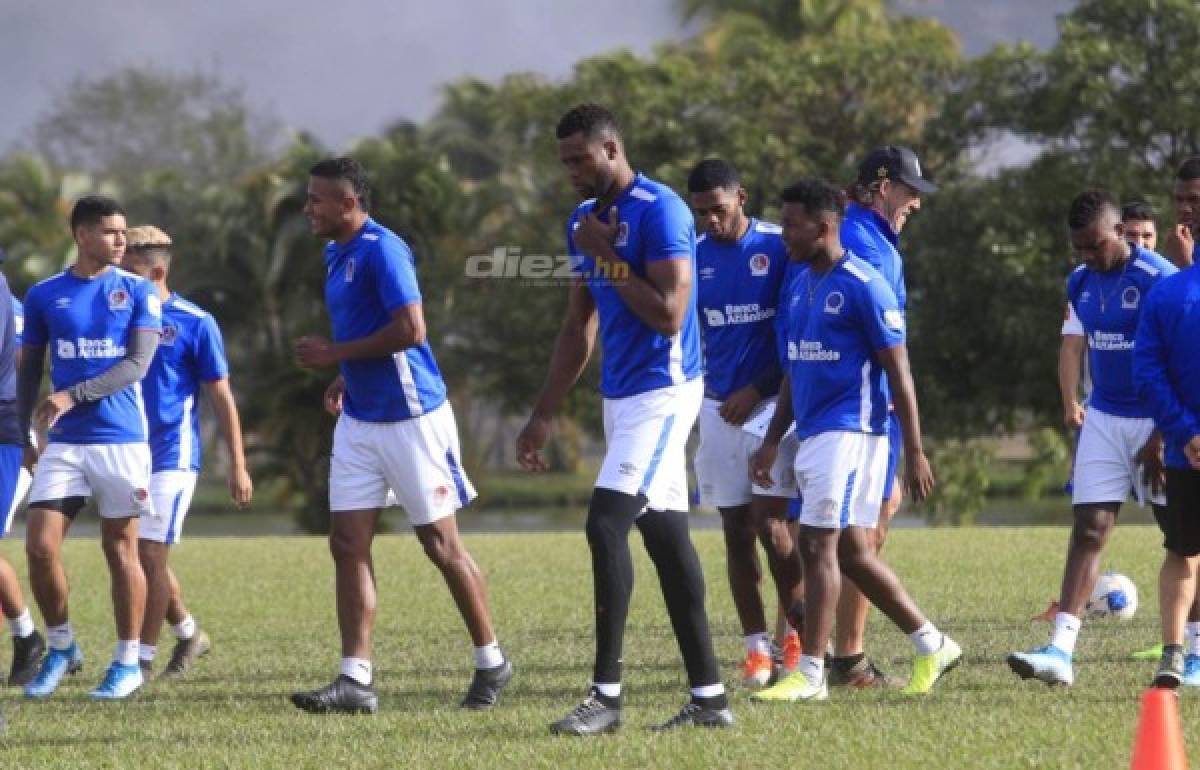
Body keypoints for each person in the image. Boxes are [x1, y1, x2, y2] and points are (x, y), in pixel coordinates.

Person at [517, 104, 732, 734]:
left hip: (665, 393)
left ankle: (605, 699)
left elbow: (669, 313)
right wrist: (543, 414)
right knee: (666, 543)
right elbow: (577, 325)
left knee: (604, 524)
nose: (569, 172)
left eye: (578, 159)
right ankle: (711, 701)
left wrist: (603, 254)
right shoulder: (583, 220)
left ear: (611, 149)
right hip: (622, 399)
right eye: (562, 161)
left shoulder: (661, 211)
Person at [291, 157, 511, 715]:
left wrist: (333, 354)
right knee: (347, 544)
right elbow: (369, 329)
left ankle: (492, 661)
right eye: (308, 198)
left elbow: (413, 330)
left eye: (317, 199)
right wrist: (346, 374)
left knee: (440, 546)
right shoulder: (334, 252)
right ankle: (355, 681)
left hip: (412, 418)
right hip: (361, 421)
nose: (308, 208)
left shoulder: (383, 249)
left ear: (349, 202)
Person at [749, 178, 960, 703]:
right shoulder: (798, 284)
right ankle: (932, 643)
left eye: (792, 225)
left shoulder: (865, 284)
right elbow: (794, 372)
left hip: (850, 432)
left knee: (816, 544)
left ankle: (812, 674)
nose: (784, 236)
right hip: (814, 431)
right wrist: (774, 438)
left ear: (823, 227)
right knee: (853, 554)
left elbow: (901, 374)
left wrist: (913, 449)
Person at [1007, 190, 1177, 687]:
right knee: (1089, 528)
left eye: (1095, 246)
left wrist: (1164, 433)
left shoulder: (1157, 280)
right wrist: (1072, 405)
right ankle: (1060, 651)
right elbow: (1075, 345)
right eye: (1079, 248)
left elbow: (1184, 361)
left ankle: (1187, 645)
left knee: (1183, 535)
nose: (1087, 257)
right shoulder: (1080, 281)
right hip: (1103, 415)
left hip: (1156, 419)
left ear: (1121, 233)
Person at [18, 195, 161, 700]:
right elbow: (28, 369)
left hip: (122, 443)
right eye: (110, 232)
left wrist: (71, 395)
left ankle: (126, 663)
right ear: (81, 235)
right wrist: (23, 435)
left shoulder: (139, 292)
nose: (122, 240)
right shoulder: (43, 295)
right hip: (66, 444)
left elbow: (136, 366)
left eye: (123, 231)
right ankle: (61, 647)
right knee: (38, 548)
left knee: (121, 550)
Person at [687, 157, 804, 687]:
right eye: (701, 213)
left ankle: (796, 636)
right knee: (734, 530)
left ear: (741, 196)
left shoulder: (779, 247)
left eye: (718, 208)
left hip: (767, 406)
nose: (710, 220)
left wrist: (757, 387)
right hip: (715, 409)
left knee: (771, 526)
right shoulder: (693, 258)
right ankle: (756, 648)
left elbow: (801, 329)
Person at [119, 225, 253, 679]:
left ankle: (140, 660)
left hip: (173, 456)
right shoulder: (116, 316)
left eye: (131, 271)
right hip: (125, 451)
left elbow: (221, 397)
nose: (122, 278)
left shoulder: (196, 322)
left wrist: (237, 463)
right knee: (142, 555)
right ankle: (189, 632)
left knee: (150, 555)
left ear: (156, 270)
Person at [829, 145, 938, 687]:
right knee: (844, 533)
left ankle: (843, 655)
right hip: (856, 406)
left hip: (866, 405)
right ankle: (826, 656)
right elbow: (883, 346)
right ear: (882, 187)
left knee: (868, 523)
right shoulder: (865, 243)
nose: (915, 203)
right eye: (911, 191)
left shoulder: (868, 237)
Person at [1134, 238, 1200, 687]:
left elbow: (1148, 371)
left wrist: (1185, 433)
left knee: (1182, 551)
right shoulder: (1171, 293)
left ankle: (1173, 652)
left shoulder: (1166, 293)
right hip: (1184, 448)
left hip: (1184, 450)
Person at [0, 249, 45, 687]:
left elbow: (21, 375)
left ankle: (29, 637)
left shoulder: (11, 309)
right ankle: (28, 636)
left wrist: (31, 439)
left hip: (8, 437)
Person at [1163, 156, 1200, 269]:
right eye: (1179, 199)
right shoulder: (1176, 249)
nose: (1184, 208)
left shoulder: (1181, 255)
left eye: (1194, 199)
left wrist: (1185, 263)